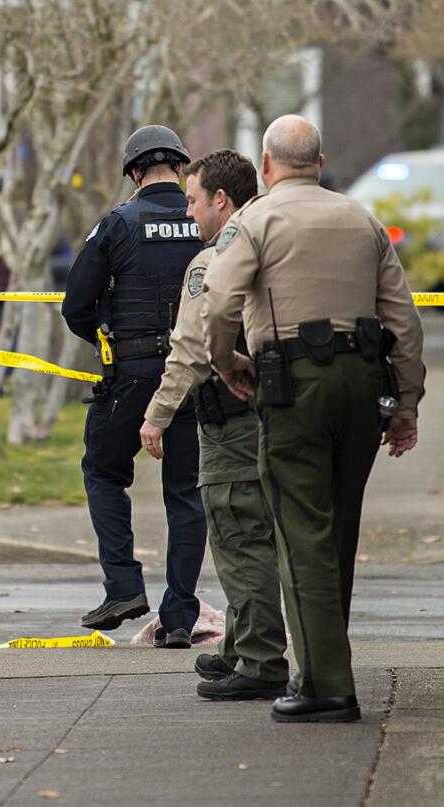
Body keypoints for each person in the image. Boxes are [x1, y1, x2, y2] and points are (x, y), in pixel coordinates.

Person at [201, 115, 425, 723]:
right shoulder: (363, 220)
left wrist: (227, 365)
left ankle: (326, 685)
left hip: (290, 382)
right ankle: (322, 663)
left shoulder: (255, 219)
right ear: (320, 164)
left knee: (301, 532)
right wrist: (405, 404)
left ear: (266, 167)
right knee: (337, 530)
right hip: (362, 384)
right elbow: (403, 319)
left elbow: (218, 303)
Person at [137, 149, 289, 699]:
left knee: (238, 535)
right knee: (274, 535)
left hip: (231, 419)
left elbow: (192, 348)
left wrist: (156, 417)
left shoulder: (212, 260)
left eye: (194, 201)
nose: (189, 214)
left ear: (221, 200)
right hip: (290, 411)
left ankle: (259, 659)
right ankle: (244, 642)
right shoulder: (280, 238)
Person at [61, 124, 207, 647]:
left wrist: (108, 333)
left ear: (135, 172)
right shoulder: (207, 222)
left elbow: (74, 306)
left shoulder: (117, 224)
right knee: (187, 495)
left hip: (132, 375)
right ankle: (180, 618)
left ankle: (123, 586)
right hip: (195, 376)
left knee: (103, 471)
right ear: (180, 168)